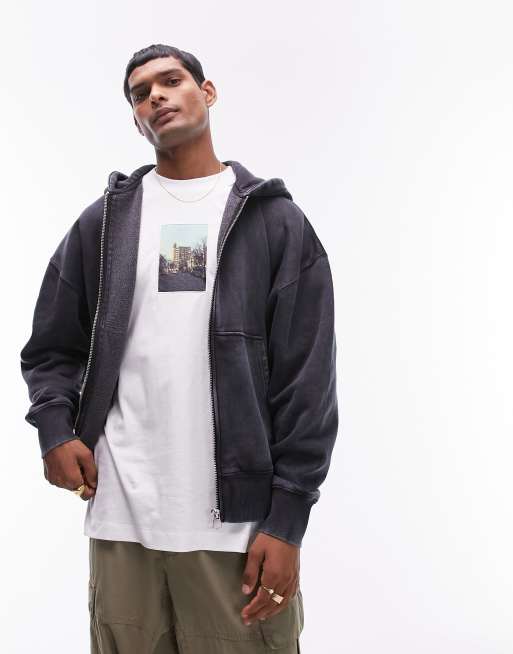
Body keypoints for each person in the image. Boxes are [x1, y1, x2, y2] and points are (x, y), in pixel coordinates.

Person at [20, 43, 339, 654]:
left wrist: (288, 519)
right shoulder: (104, 224)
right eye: (140, 94)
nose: (156, 97)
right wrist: (55, 430)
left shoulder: (275, 223)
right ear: (136, 119)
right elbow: (51, 346)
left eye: (171, 81)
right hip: (121, 519)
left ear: (207, 92)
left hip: (236, 525)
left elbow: (308, 380)